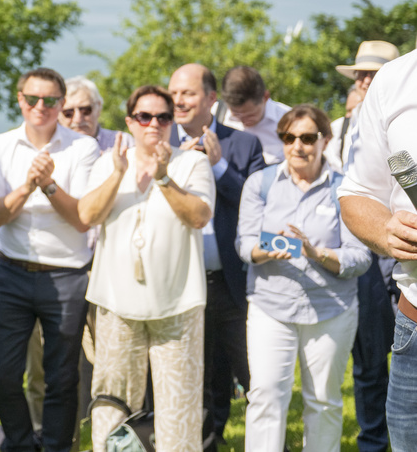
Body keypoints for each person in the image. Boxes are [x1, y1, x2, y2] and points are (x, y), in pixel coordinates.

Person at [79, 85, 214, 452]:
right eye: (144, 116)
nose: (153, 123)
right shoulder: (110, 160)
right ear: (130, 122)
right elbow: (86, 215)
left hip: (177, 304)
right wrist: (118, 175)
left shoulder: (193, 163)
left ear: (172, 122)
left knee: (179, 408)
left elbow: (200, 216)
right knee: (112, 403)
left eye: (163, 117)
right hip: (116, 302)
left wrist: (164, 177)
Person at [0, 67, 99, 452]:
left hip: (67, 275)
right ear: (20, 100)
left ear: (61, 104)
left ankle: (58, 446)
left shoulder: (83, 148)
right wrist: (27, 185)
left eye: (49, 100)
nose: (40, 107)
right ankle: (21, 443)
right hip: (11, 271)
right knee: (1, 375)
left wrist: (47, 186)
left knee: (62, 378)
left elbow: (81, 218)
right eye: (32, 99)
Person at [237, 104, 370, 452]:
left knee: (324, 400)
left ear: (325, 140)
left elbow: (360, 257)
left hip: (331, 308)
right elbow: (244, 244)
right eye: (289, 137)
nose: (298, 145)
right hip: (270, 306)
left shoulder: (345, 190)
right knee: (265, 395)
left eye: (308, 137)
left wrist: (317, 253)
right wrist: (266, 251)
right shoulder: (260, 183)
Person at [166, 63, 264, 445]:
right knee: (196, 373)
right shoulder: (162, 145)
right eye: (173, 93)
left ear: (210, 98)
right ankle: (204, 441)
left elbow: (255, 204)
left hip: (229, 280)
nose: (178, 101)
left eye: (187, 93)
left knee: (250, 369)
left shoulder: (243, 145)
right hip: (179, 280)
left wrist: (217, 165)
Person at [338, 46, 417, 449]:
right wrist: (387, 229)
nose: (365, 79)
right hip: (414, 323)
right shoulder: (396, 80)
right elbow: (356, 192)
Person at [328, 40, 401, 452]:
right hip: (362, 250)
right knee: (369, 356)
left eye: (373, 72)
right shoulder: (338, 130)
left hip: (406, 247)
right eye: (360, 73)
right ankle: (373, 440)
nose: (365, 79)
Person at [218, 66, 290, 166]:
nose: (244, 121)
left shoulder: (289, 120)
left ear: (265, 97)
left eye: (251, 115)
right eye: (236, 115)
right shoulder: (216, 114)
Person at [59, 76, 126, 154]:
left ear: (98, 108)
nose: (78, 119)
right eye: (68, 113)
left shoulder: (123, 142)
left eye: (85, 110)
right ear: (58, 115)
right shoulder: (50, 148)